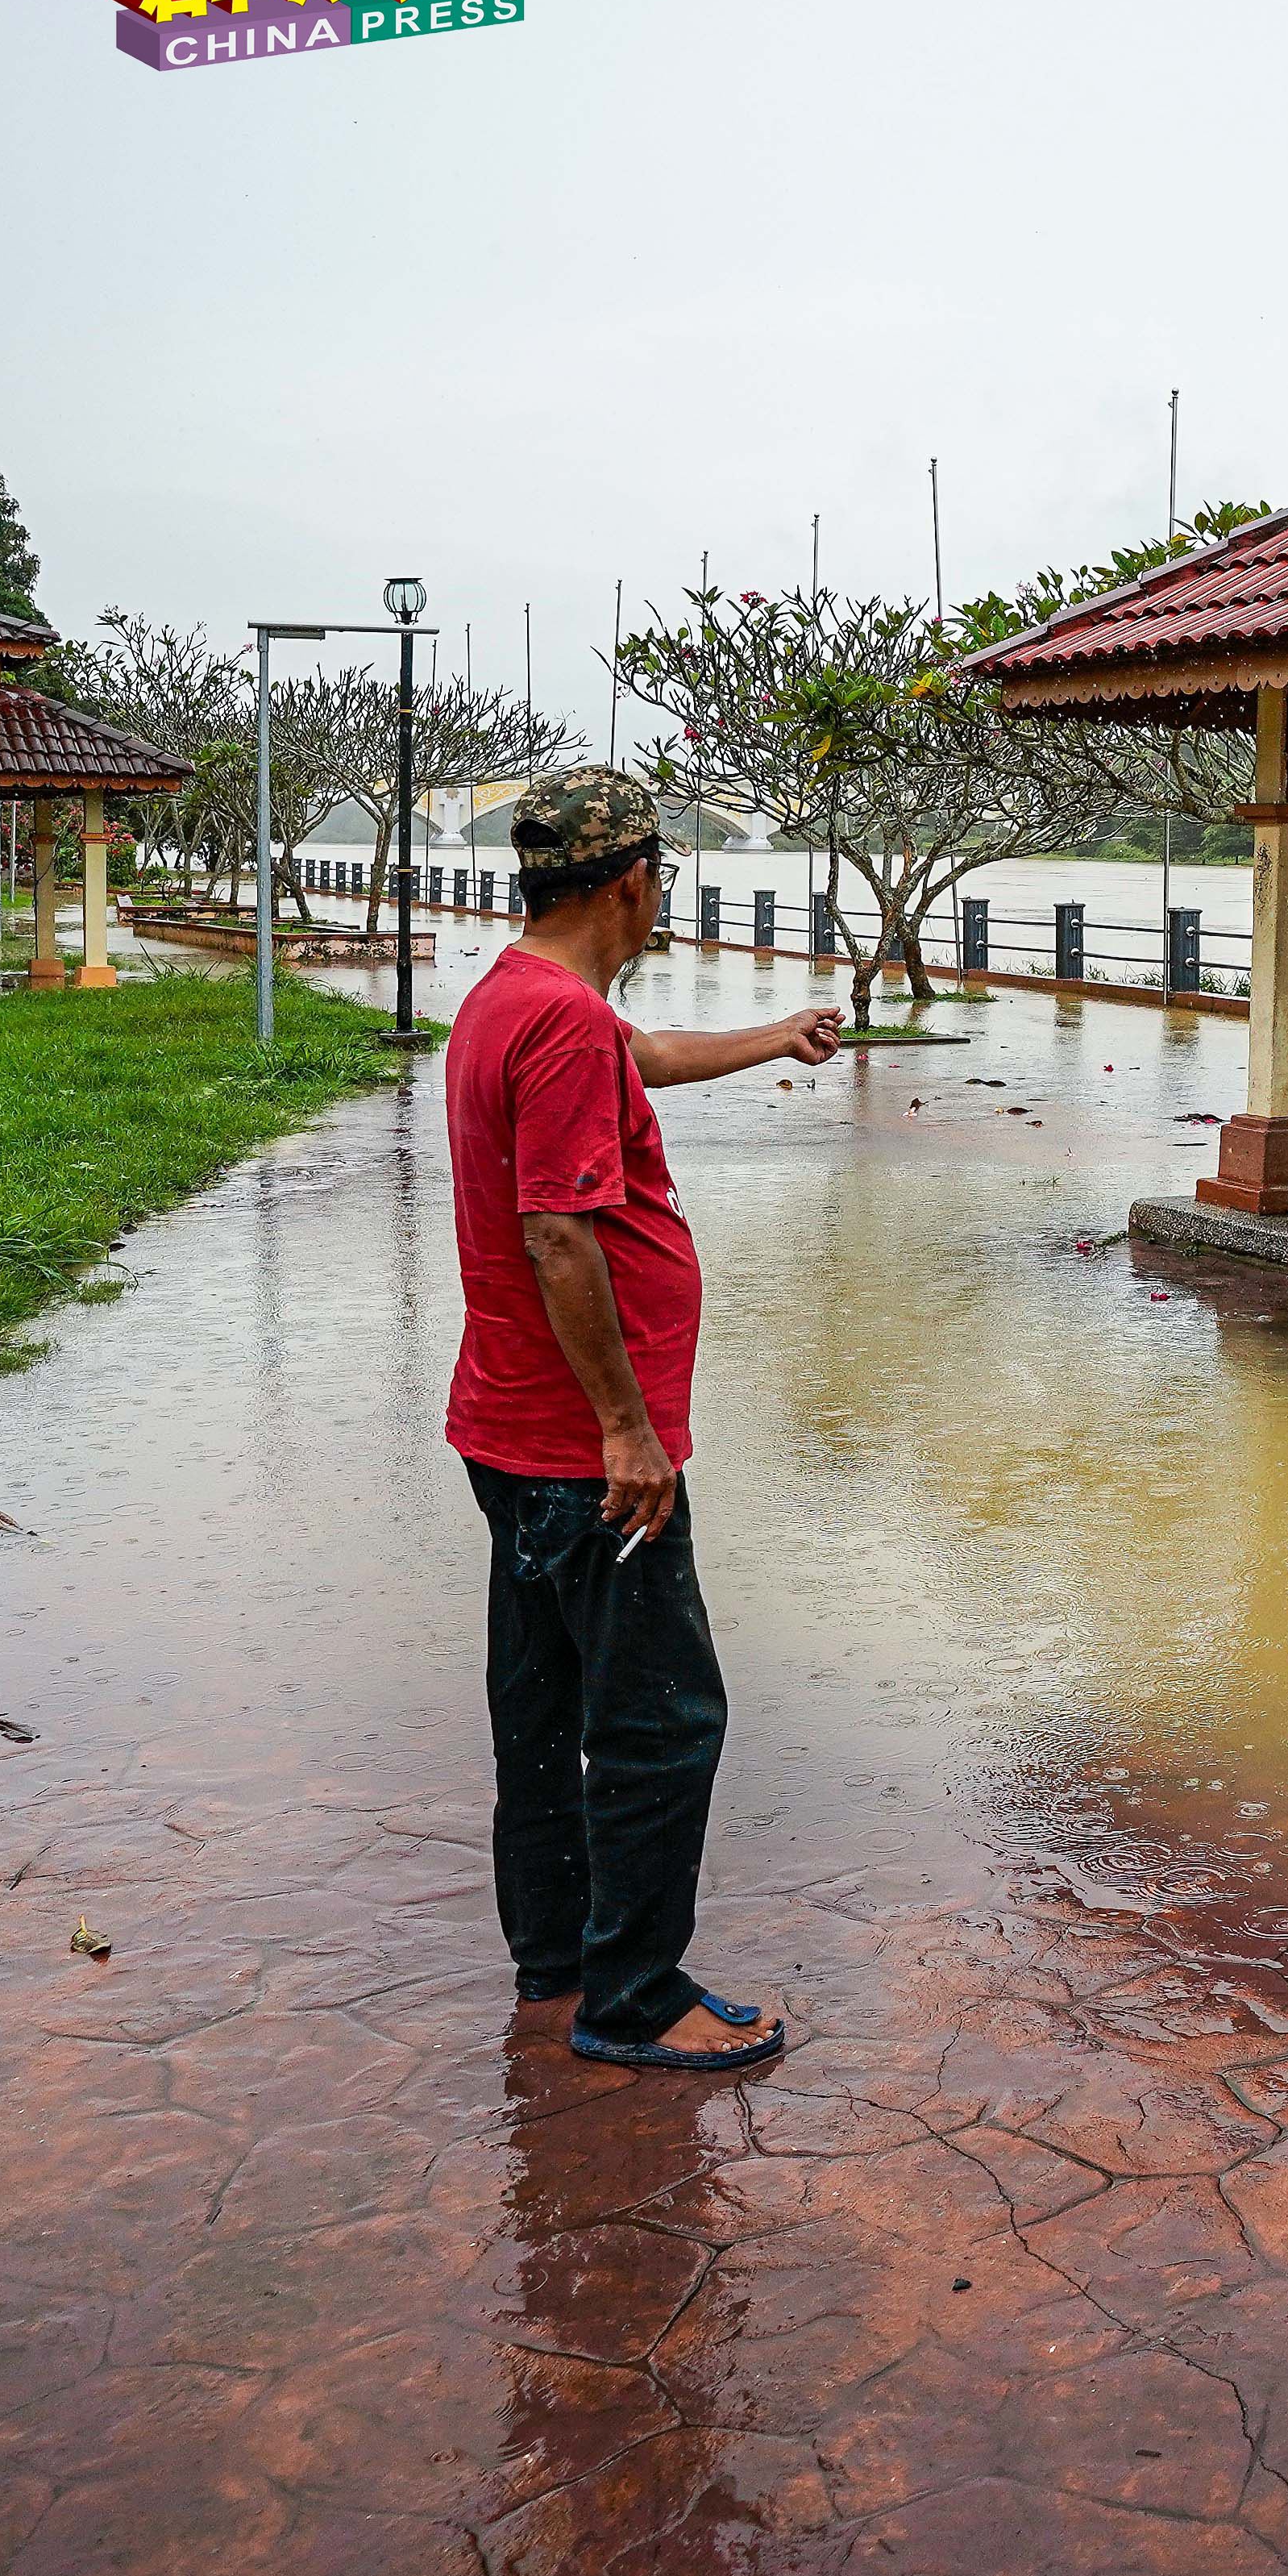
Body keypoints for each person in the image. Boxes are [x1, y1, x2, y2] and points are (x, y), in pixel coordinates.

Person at [442, 768, 837, 2069]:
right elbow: (559, 1233)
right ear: (631, 885)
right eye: (660, 879)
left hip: (513, 1434)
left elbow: (643, 1059)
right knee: (661, 1723)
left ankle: (557, 1965)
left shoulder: (525, 998)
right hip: (578, 1453)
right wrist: (626, 1427)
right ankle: (632, 1997)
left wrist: (777, 1035)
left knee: (542, 1706)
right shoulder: (561, 1024)